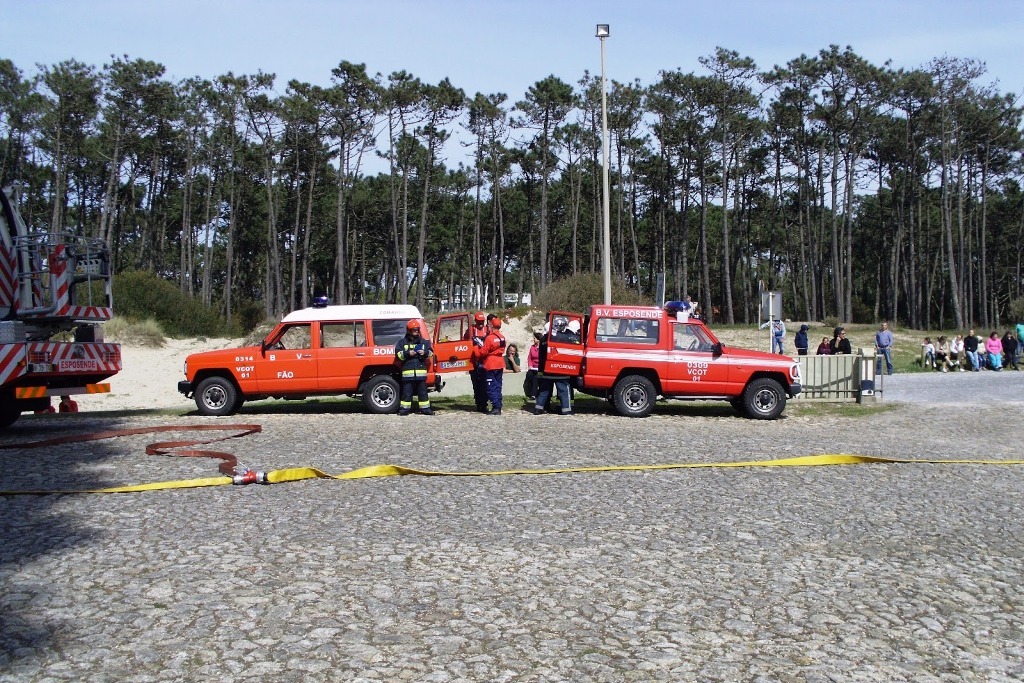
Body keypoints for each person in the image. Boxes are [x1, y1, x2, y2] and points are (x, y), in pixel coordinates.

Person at [534, 319, 577, 416]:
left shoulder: (544, 339)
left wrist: (541, 371)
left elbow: (541, 356)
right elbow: (573, 345)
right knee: (564, 391)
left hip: (547, 370)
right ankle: (566, 410)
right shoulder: (564, 337)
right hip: (560, 370)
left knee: (544, 390)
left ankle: (538, 408)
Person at [394, 320, 434, 415]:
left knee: (423, 393)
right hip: (408, 374)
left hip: (421, 374)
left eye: (417, 329)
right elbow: (398, 355)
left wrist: (425, 353)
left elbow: (431, 353)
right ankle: (404, 410)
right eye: (414, 330)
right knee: (407, 393)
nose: (416, 331)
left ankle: (426, 410)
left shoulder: (424, 342)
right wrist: (408, 353)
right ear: (409, 331)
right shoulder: (402, 342)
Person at [480, 316, 507, 415]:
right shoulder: (502, 337)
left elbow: (483, 352)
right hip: (500, 362)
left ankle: (496, 407)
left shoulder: (490, 338)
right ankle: (498, 405)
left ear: (491, 325)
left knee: (491, 386)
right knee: (498, 385)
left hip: (491, 363)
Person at [465, 311, 489, 412]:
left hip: (485, 362)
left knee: (485, 384)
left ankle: (484, 404)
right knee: (476, 384)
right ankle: (479, 404)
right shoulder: (470, 330)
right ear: (475, 321)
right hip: (474, 362)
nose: (480, 323)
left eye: (482, 321)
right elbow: (464, 343)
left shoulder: (488, 330)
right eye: (479, 321)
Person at [524, 332, 540, 400]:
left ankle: (533, 394)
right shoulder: (532, 347)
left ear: (538, 340)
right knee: (529, 375)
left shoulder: (542, 348)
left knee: (536, 378)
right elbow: (529, 357)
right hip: (533, 367)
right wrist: (530, 365)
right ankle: (531, 392)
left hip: (539, 368)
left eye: (535, 338)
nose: (533, 339)